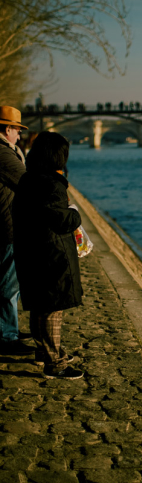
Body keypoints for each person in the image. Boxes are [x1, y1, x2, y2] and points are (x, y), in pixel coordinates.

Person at [12, 131, 84, 380]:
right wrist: (75, 214)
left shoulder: (28, 179)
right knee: (53, 308)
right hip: (50, 254)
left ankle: (44, 352)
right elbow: (61, 220)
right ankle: (56, 363)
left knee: (40, 306)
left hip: (30, 250)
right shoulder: (51, 184)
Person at [0, 105, 34, 355]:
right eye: (17, 130)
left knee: (10, 282)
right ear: (6, 128)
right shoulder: (3, 154)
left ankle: (8, 328)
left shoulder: (9, 150)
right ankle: (6, 336)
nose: (19, 136)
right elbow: (27, 183)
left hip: (9, 223)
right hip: (6, 226)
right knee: (8, 285)